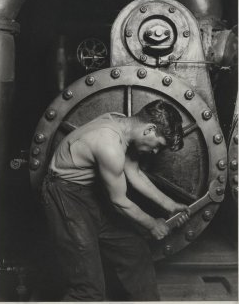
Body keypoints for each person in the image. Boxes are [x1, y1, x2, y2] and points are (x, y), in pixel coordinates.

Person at [41, 99, 190, 301]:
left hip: (88, 193)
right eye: (159, 145)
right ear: (149, 129)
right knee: (89, 289)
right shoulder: (108, 144)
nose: (155, 152)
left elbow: (134, 172)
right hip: (65, 196)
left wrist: (170, 205)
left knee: (134, 251)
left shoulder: (122, 124)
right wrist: (152, 224)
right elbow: (119, 201)